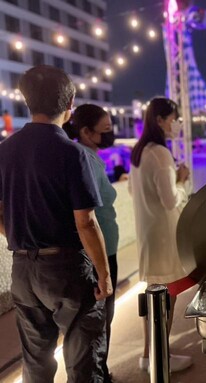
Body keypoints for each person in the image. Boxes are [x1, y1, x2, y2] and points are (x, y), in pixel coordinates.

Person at [0, 65, 112, 382]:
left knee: (35, 362)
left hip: (23, 269)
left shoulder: (4, 150)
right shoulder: (72, 153)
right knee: (82, 361)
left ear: (27, 100)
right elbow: (86, 223)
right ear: (70, 103)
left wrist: (23, 238)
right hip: (65, 269)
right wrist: (103, 274)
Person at [129, 97, 194, 373]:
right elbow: (171, 200)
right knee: (168, 294)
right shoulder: (161, 153)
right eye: (174, 118)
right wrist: (181, 179)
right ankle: (160, 354)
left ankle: (149, 353)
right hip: (165, 236)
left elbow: (135, 192)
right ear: (160, 120)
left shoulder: (140, 151)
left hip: (148, 234)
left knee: (154, 294)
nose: (176, 124)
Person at [63, 104, 119, 382]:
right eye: (105, 130)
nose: (111, 135)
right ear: (85, 132)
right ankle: (100, 375)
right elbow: (86, 218)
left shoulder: (92, 157)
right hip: (100, 253)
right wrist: (103, 270)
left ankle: (101, 371)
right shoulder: (82, 158)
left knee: (101, 321)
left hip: (106, 248)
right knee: (98, 322)